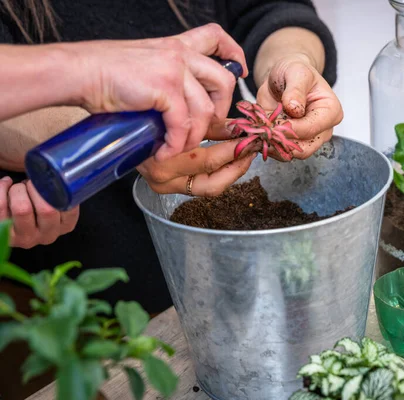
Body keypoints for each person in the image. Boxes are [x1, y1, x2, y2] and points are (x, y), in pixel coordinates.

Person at [0, 1, 341, 398]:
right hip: (66, 296)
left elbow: (271, 9)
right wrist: (119, 125)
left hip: (223, 264)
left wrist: (293, 62)